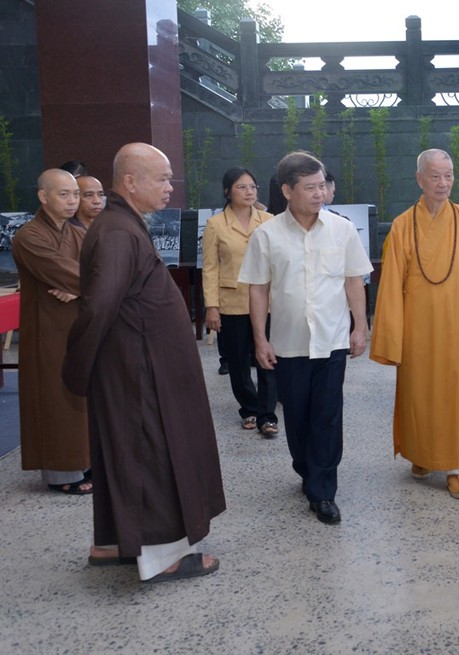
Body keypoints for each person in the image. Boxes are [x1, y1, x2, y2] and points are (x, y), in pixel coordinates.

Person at [62, 143, 225, 582]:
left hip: (139, 364)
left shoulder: (122, 222)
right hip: (140, 370)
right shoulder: (117, 232)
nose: (170, 187)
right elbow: (98, 308)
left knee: (125, 452)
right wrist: (77, 369)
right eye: (162, 178)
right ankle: (163, 555)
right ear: (130, 182)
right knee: (151, 454)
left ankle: (114, 542)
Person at [239, 151, 372, 524]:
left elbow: (352, 281)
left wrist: (359, 326)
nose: (319, 194)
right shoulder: (266, 235)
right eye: (310, 187)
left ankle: (323, 490)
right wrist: (260, 340)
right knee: (297, 415)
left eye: (322, 186)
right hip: (289, 342)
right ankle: (307, 470)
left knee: (328, 415)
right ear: (287, 190)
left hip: (331, 340)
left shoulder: (342, 229)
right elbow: (258, 291)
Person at [370, 149, 459, 500]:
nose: (443, 183)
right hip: (418, 329)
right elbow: (392, 285)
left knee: (456, 394)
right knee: (419, 394)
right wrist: (392, 337)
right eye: (435, 176)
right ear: (420, 179)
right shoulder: (402, 225)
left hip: (457, 328)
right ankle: (422, 454)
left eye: (449, 175)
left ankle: (457, 466)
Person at [12, 169, 90, 495]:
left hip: (80, 327)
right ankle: (61, 474)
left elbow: (97, 270)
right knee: (55, 399)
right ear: (43, 197)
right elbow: (69, 272)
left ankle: (85, 462)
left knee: (82, 399)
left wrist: (78, 289)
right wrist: (83, 284)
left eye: (76, 194)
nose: (73, 201)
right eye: (64, 194)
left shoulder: (78, 234)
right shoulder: (29, 237)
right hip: (48, 332)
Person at [202, 167, 279, 437]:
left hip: (267, 303)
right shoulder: (216, 225)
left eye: (252, 187)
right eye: (241, 187)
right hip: (232, 302)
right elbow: (210, 268)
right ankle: (249, 409)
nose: (249, 192)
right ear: (227, 191)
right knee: (238, 361)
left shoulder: (269, 220)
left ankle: (268, 416)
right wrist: (211, 306)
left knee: (268, 358)